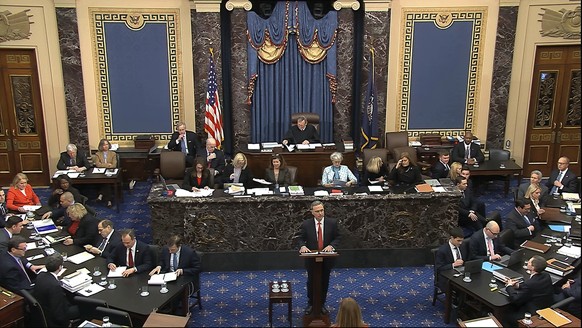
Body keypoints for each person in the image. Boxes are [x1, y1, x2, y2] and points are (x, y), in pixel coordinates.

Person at [298, 201, 341, 315]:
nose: (320, 213)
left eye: (322, 210)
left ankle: (321, 304)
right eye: (317, 211)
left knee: (324, 281)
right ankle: (311, 304)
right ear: (312, 212)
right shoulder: (306, 224)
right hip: (311, 259)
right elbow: (300, 238)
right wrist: (302, 246)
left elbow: (338, 237)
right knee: (311, 281)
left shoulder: (332, 223)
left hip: (327, 258)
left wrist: (331, 246)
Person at [505, 255, 553, 325]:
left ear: (533, 267)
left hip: (531, 312)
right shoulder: (546, 275)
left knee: (505, 315)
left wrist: (509, 286)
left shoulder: (530, 284)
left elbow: (516, 299)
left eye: (529, 262)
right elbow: (534, 288)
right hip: (544, 306)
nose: (527, 262)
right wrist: (518, 286)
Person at [33, 255, 80, 326]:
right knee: (85, 307)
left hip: (44, 307)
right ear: (60, 267)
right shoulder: (55, 286)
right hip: (54, 315)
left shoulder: (41, 275)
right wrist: (67, 324)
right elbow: (58, 312)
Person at [435, 227, 468, 291]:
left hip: (462, 273)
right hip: (448, 277)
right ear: (452, 238)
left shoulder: (463, 246)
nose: (460, 243)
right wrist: (453, 265)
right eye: (458, 240)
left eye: (462, 240)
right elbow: (439, 268)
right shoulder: (442, 250)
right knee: (462, 289)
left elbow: (467, 260)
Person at [93, 138, 117, 207]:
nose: (105, 146)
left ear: (109, 145)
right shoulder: (98, 154)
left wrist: (103, 165)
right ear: (101, 146)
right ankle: (109, 201)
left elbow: (114, 165)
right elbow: (97, 164)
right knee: (106, 182)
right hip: (101, 173)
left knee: (107, 181)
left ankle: (101, 195)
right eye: (104, 145)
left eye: (107, 144)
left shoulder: (113, 154)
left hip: (111, 173)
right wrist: (108, 164)